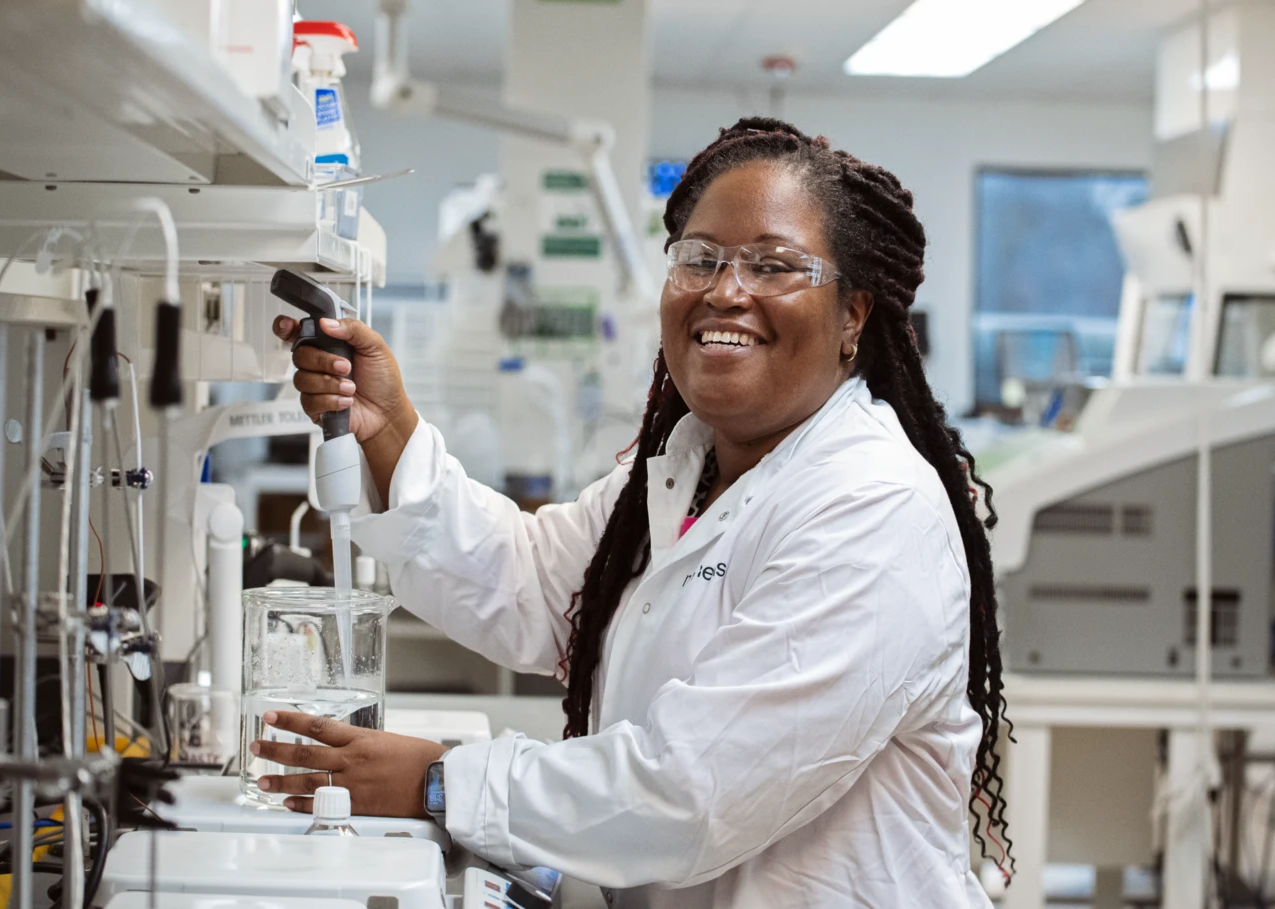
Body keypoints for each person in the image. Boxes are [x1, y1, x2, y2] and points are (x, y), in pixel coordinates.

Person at [252, 118, 1010, 907]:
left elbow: (693, 790)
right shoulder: (685, 469)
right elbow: (530, 584)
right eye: (700, 258)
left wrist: (439, 780)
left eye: (774, 265)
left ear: (853, 315)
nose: (725, 289)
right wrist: (391, 428)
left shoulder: (872, 505)